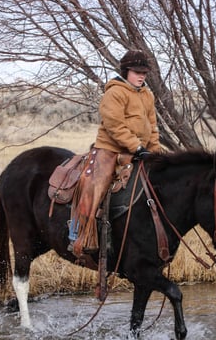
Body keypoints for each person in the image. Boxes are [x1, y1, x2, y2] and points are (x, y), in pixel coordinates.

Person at [69, 49, 161, 260]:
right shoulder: (115, 92)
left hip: (141, 151)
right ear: (126, 71)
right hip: (110, 149)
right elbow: (114, 125)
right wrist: (136, 146)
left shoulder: (147, 94)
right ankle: (79, 236)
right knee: (94, 184)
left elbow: (153, 126)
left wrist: (155, 153)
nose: (141, 76)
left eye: (144, 73)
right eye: (137, 72)